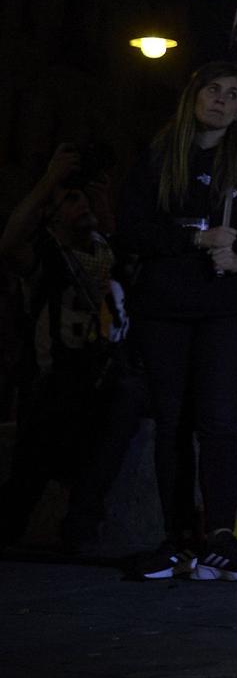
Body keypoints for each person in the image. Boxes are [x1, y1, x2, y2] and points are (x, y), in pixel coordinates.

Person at [114, 63, 237, 581]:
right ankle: (175, 539)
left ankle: (219, 536)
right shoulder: (158, 158)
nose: (222, 101)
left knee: (216, 420)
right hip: (164, 307)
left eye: (233, 95)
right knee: (172, 423)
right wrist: (195, 239)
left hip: (226, 308)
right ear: (194, 96)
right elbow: (132, 230)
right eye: (213, 91)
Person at [0, 143, 144, 554]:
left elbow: (133, 268)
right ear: (53, 211)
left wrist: (108, 209)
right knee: (40, 445)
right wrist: (48, 181)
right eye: (71, 199)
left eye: (86, 197)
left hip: (104, 379)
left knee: (129, 394)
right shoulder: (47, 252)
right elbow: (9, 243)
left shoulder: (108, 250)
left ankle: (81, 524)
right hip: (54, 382)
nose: (83, 206)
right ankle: (12, 519)